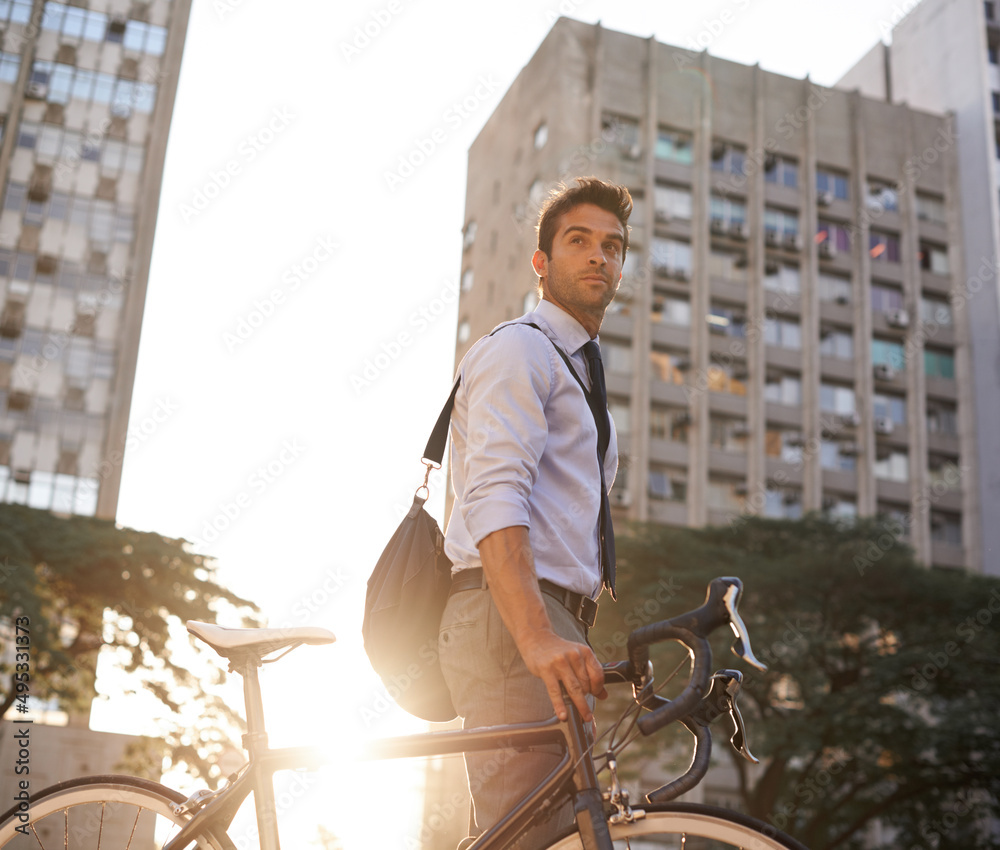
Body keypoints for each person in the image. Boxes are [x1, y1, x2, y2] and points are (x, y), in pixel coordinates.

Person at [439, 176, 632, 849]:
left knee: (533, 835)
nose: (598, 256)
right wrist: (535, 636)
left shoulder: (581, 373)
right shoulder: (522, 350)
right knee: (531, 840)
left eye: (613, 245)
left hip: (553, 617)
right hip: (510, 614)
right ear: (541, 263)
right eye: (578, 241)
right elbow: (494, 495)